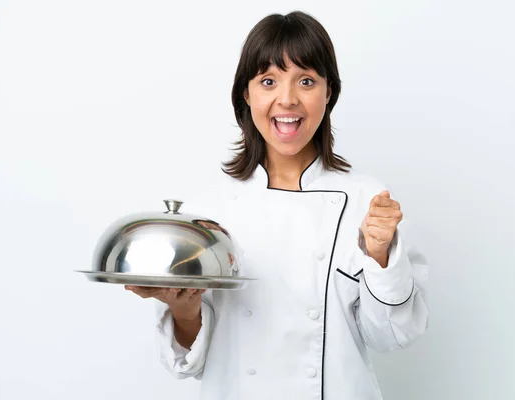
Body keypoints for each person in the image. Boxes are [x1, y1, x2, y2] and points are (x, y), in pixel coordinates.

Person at [126, 10, 429, 399]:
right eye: (268, 81)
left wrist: (381, 254)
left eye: (306, 81)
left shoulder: (366, 201)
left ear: (329, 93)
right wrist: (184, 313)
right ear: (246, 94)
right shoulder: (208, 214)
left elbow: (390, 335)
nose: (287, 99)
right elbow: (190, 364)